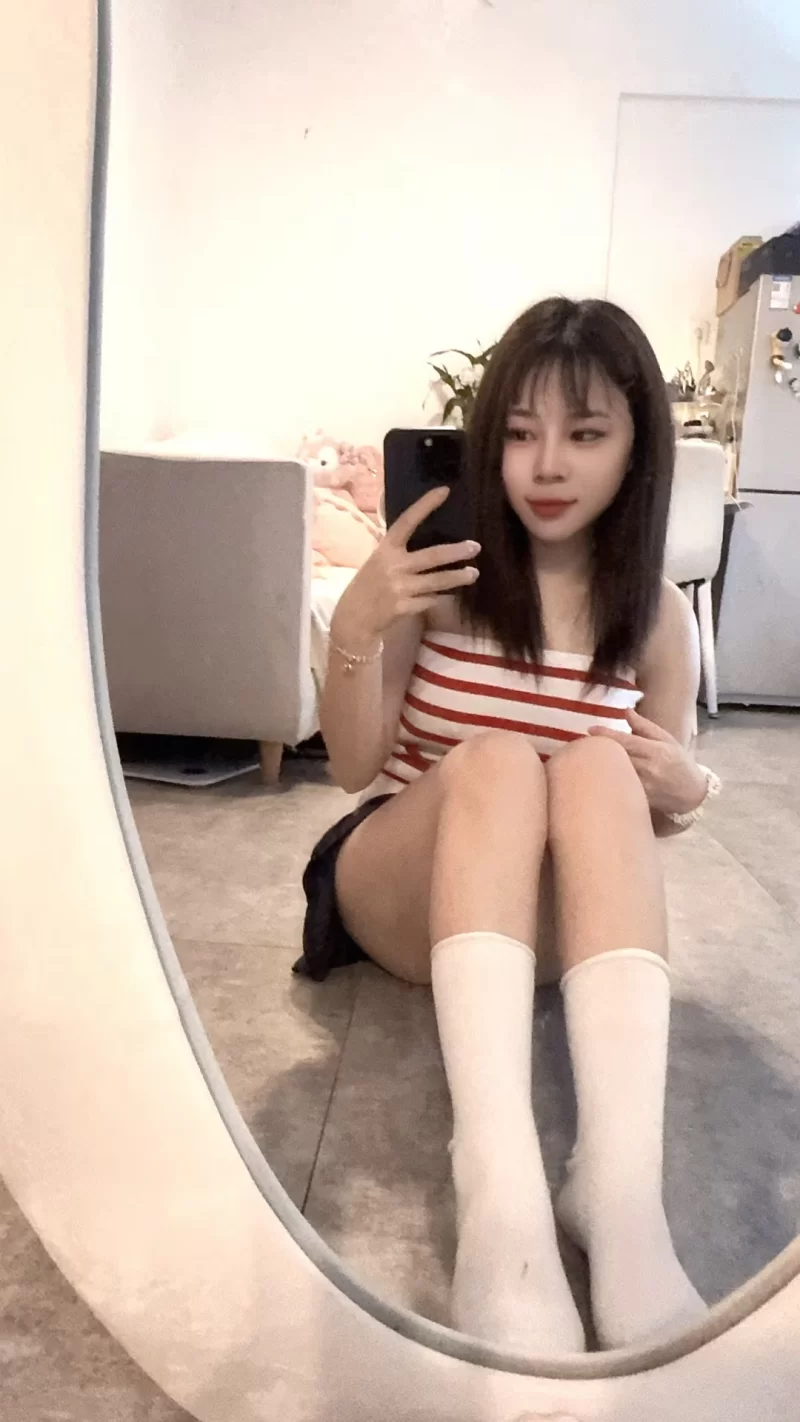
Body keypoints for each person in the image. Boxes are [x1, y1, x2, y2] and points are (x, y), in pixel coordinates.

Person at [294, 297, 720, 1358]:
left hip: (535, 920)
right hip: (403, 881)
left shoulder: (656, 616)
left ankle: (618, 1192)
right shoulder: (446, 583)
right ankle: (497, 1190)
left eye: (585, 433)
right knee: (494, 759)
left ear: (636, 449)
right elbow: (352, 768)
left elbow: (642, 827)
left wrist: (686, 789)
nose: (547, 464)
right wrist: (356, 624)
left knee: (595, 765)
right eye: (521, 432)